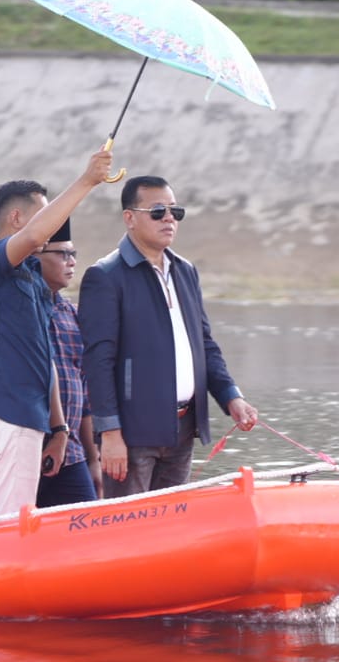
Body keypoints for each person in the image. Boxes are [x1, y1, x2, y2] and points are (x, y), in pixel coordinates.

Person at [78, 176, 258, 498]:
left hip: (182, 427)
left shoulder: (185, 271)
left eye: (175, 211)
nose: (170, 219)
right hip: (132, 435)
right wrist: (110, 434)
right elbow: (97, 362)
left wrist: (232, 396)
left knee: (170, 528)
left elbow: (204, 344)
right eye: (158, 211)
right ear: (129, 218)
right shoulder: (105, 276)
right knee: (129, 527)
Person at [0, 150, 113, 521]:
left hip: (26, 420)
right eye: (42, 214)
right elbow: (33, 236)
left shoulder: (33, 277)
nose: (50, 226)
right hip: (6, 417)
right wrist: (87, 180)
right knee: (10, 526)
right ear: (16, 218)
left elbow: (43, 356)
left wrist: (60, 428)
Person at [35, 220, 101, 507]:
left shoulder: (72, 314)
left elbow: (82, 391)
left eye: (73, 254)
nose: (72, 261)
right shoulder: (18, 310)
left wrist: (92, 458)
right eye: (62, 254)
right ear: (34, 257)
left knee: (86, 529)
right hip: (26, 448)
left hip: (71, 451)